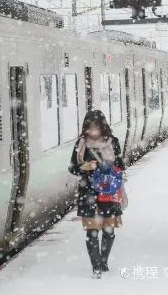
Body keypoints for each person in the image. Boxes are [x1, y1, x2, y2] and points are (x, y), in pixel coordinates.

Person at [69, 110, 125, 279]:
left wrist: (107, 169)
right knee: (92, 231)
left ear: (103, 128)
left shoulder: (113, 142)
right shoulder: (81, 144)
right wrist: (84, 168)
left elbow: (121, 165)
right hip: (88, 193)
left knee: (109, 230)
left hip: (108, 191)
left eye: (96, 128)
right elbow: (72, 167)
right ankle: (96, 266)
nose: (93, 132)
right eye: (90, 128)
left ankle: (104, 260)